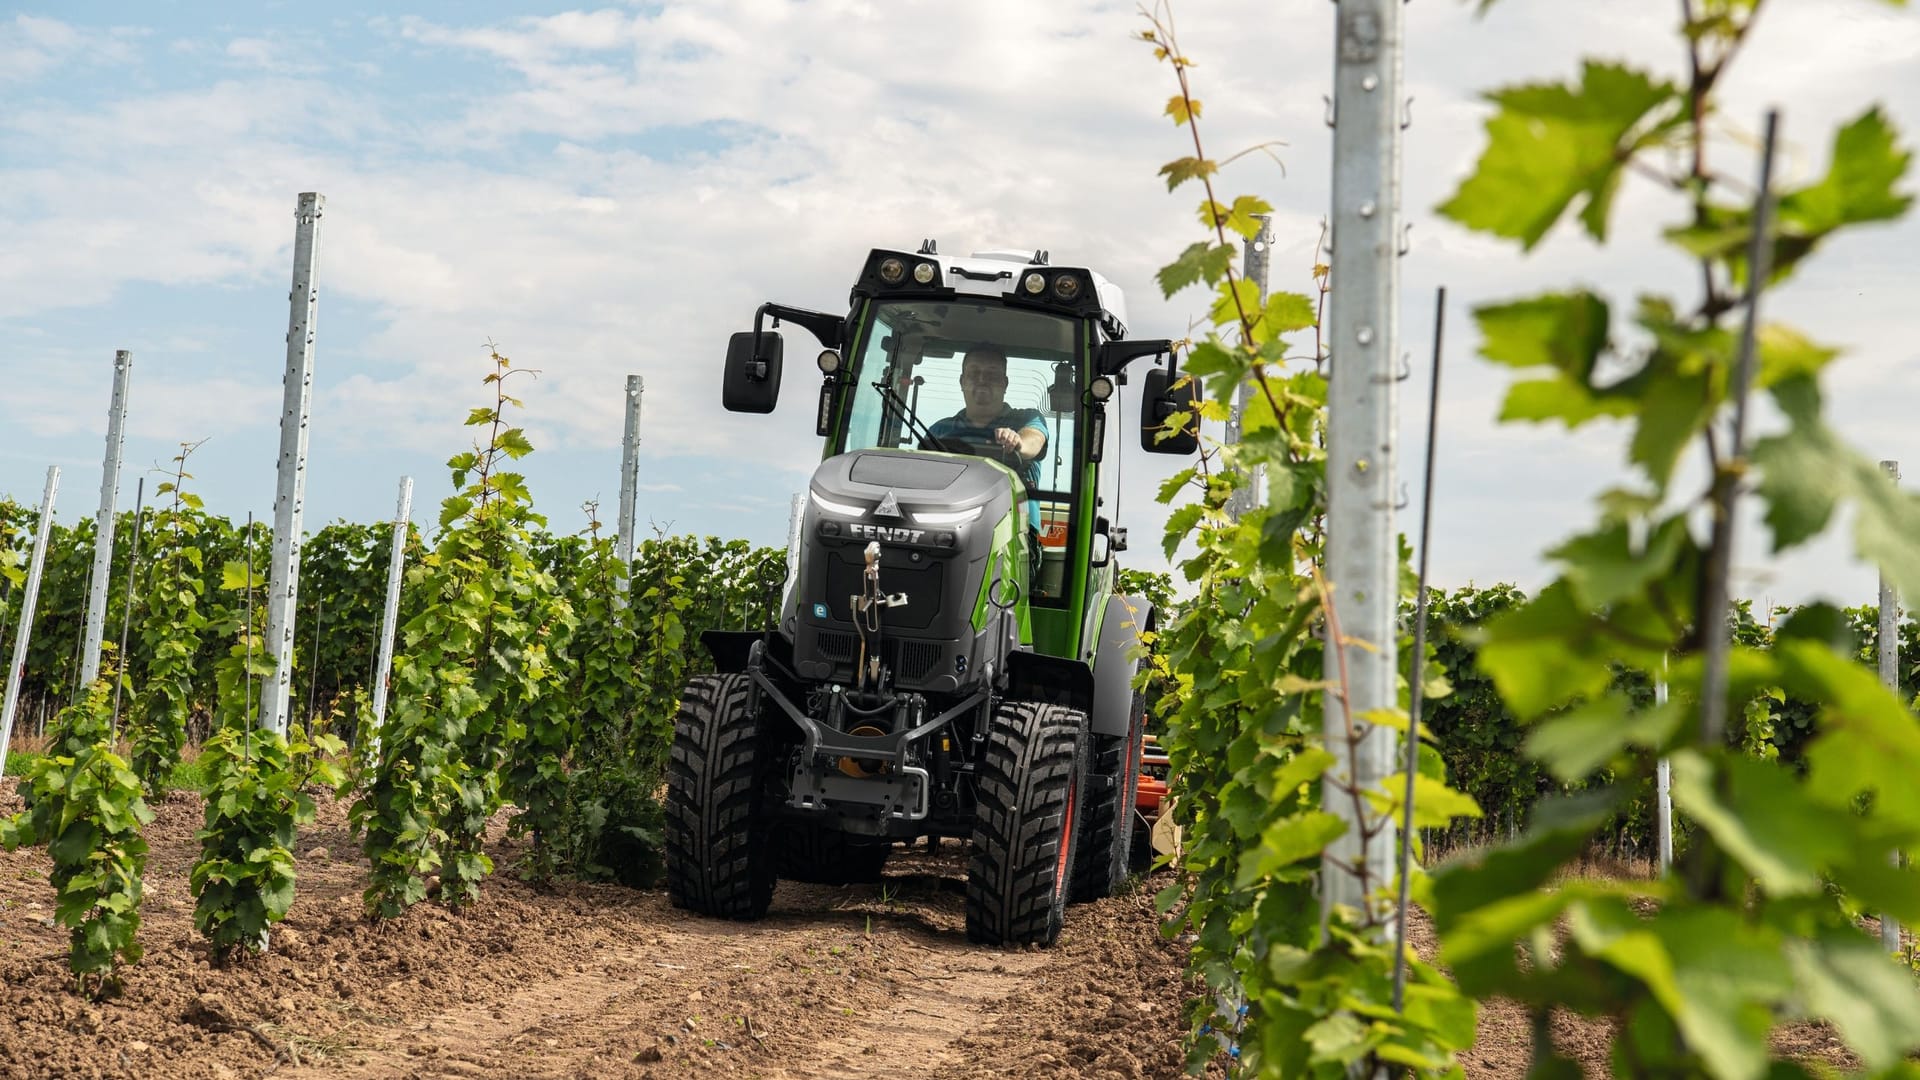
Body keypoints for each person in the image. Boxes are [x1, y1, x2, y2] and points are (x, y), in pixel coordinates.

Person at [924, 347, 1049, 533]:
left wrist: (1018, 443)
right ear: (962, 381)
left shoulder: (1027, 419)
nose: (982, 380)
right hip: (949, 526)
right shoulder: (939, 431)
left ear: (1005, 384)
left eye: (992, 375)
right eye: (974, 373)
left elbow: (1034, 440)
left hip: (1016, 532)